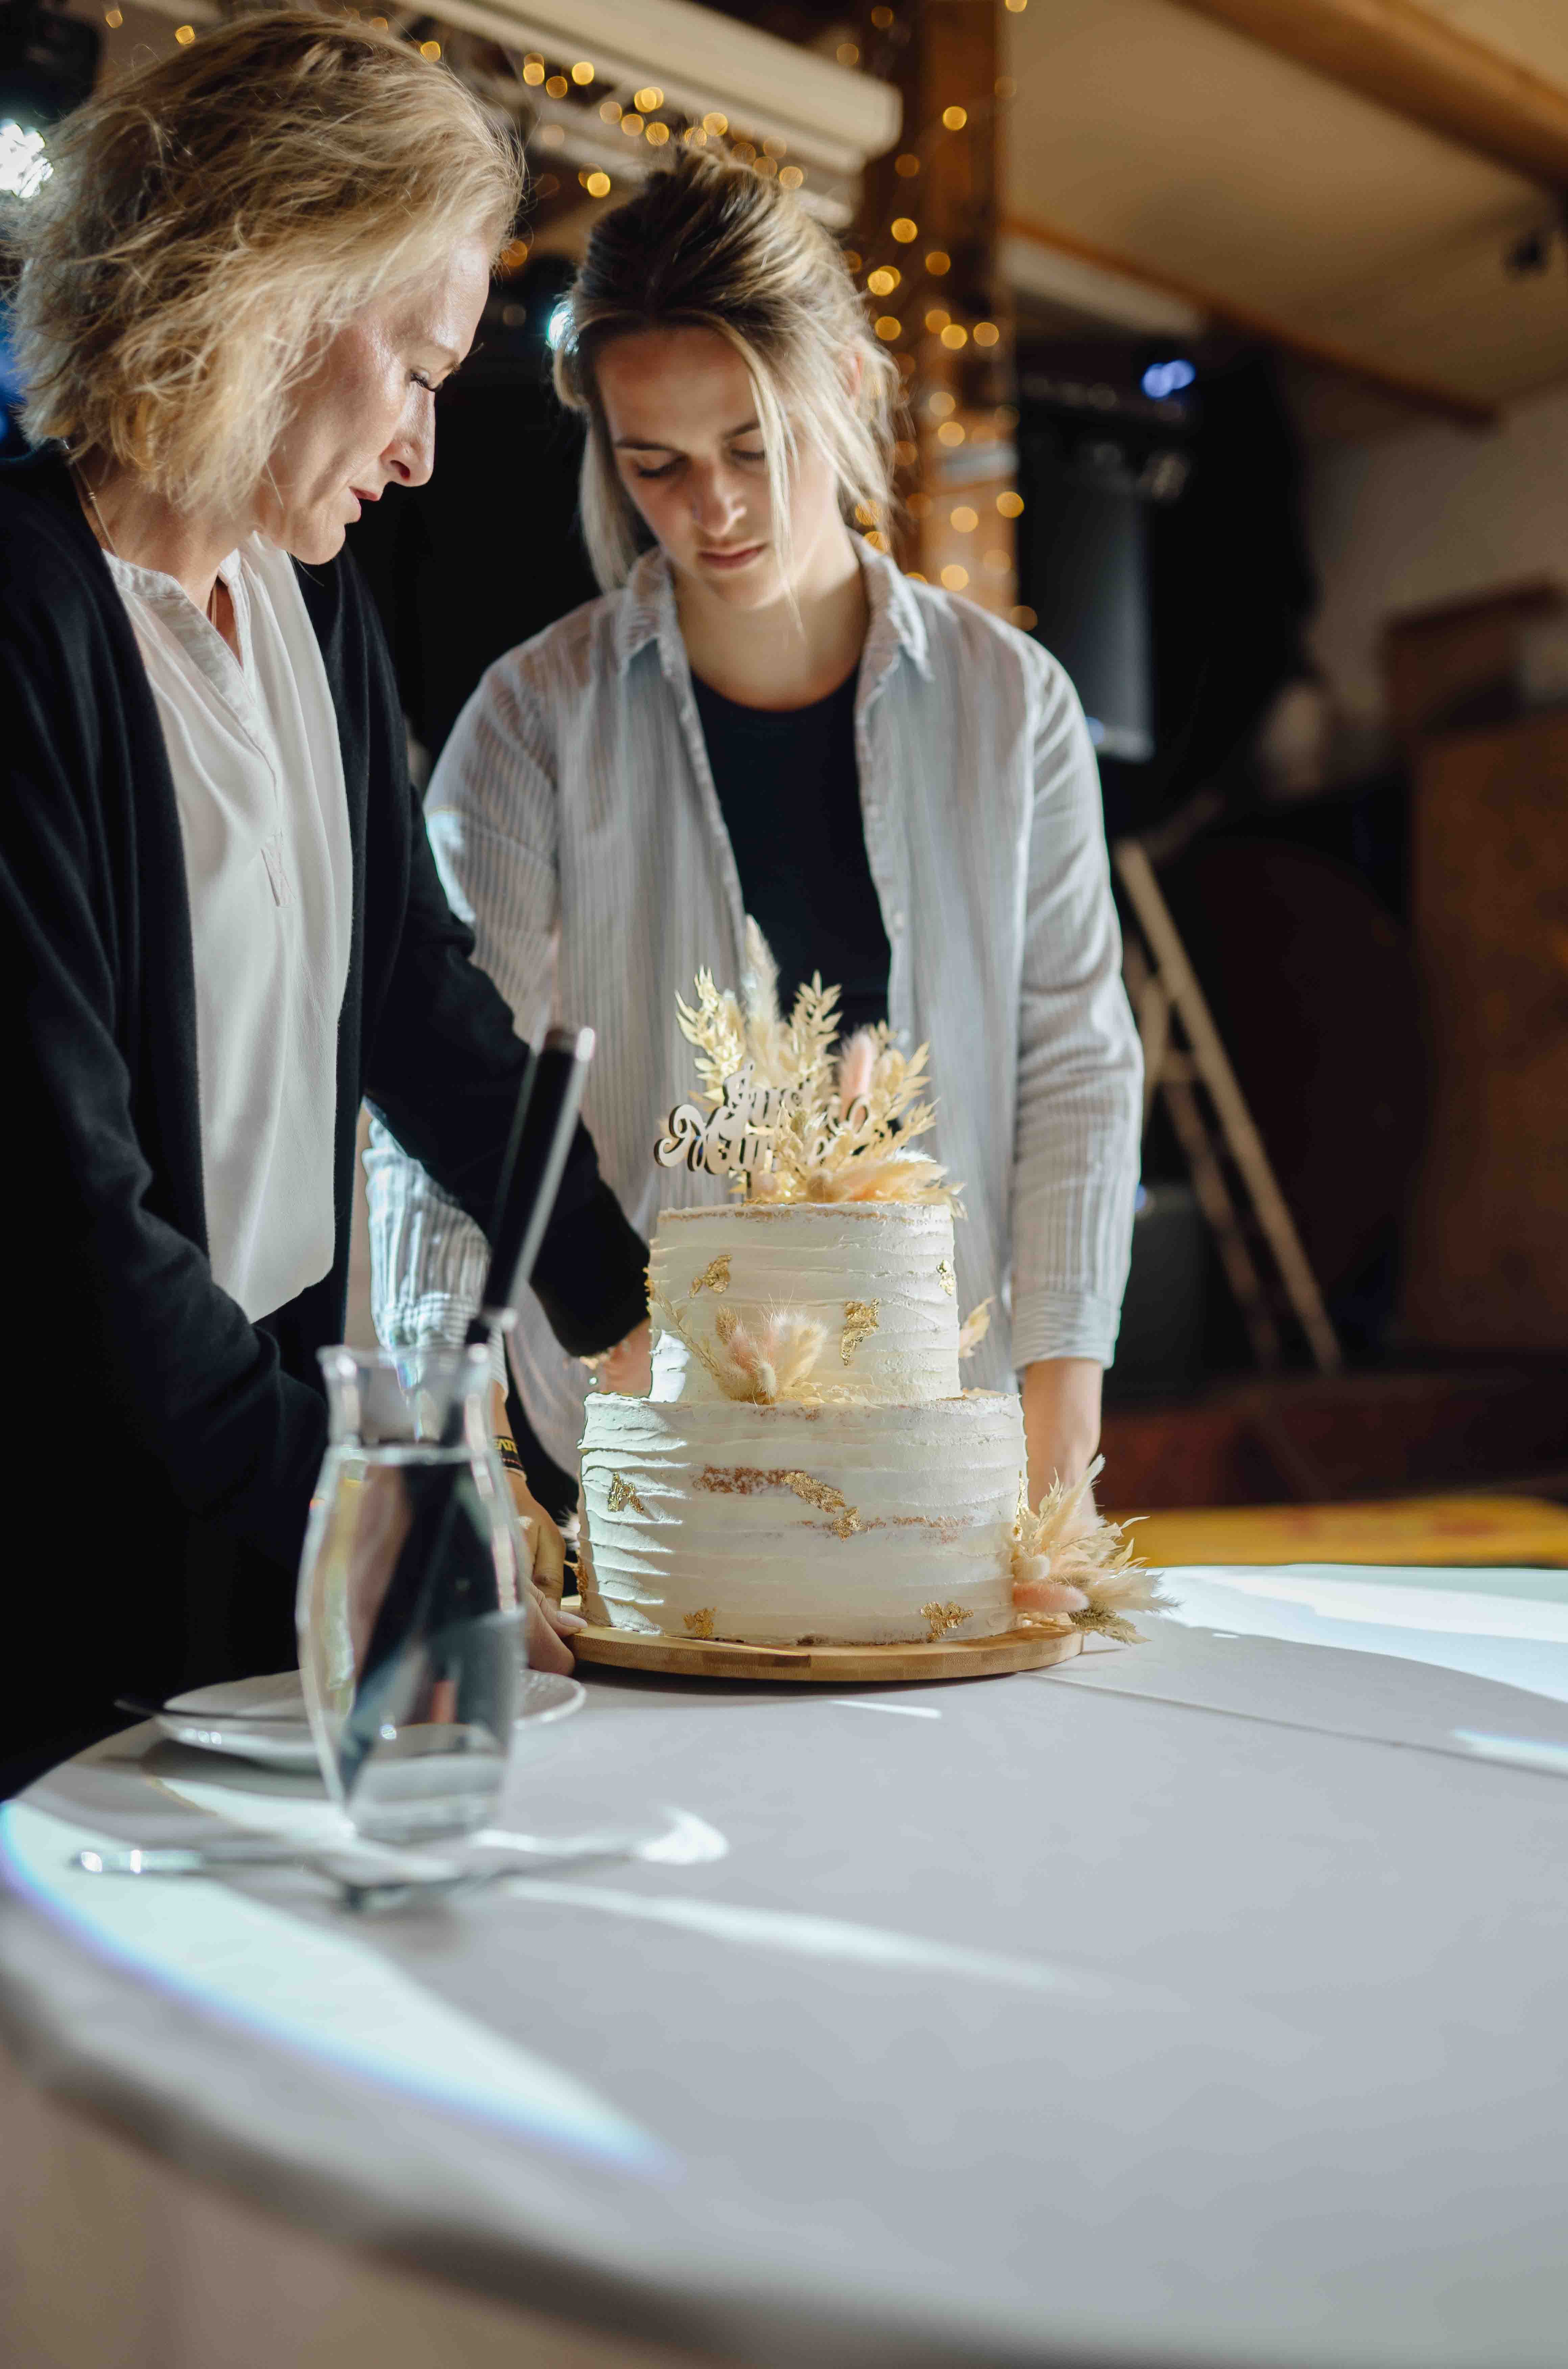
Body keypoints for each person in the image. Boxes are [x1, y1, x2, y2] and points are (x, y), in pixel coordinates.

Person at [0, 13, 648, 1796]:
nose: (427, 452)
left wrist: (625, 1306)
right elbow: (70, 1212)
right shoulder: (26, 620)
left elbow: (417, 1008)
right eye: (423, 369)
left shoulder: (311, 601)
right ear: (272, 293)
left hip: (240, 1449)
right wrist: (375, 1497)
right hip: (57, 1505)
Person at [366, 150, 1142, 1531]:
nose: (710, 511)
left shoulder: (1008, 703)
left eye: (752, 448)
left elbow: (1074, 1063)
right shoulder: (533, 723)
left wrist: (1061, 1432)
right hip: (621, 1442)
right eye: (653, 464)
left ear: (842, 386)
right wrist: (448, 1440)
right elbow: (453, 1093)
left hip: (933, 1431)